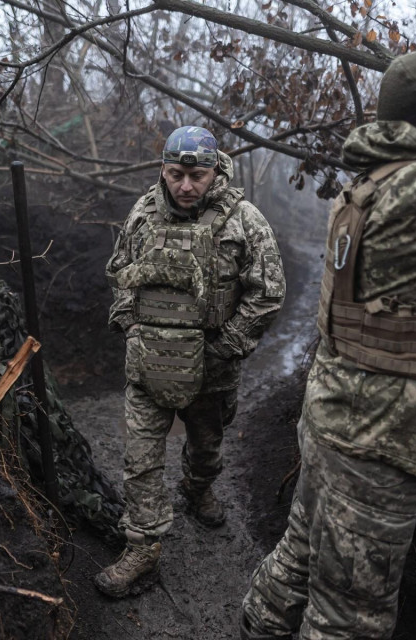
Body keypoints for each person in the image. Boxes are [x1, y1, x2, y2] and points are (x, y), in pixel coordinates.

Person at [240, 47, 416, 639]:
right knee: (349, 620)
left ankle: (254, 628)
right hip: (378, 442)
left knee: (299, 555)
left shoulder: (384, 178)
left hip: (340, 416)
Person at [94, 125, 286, 597]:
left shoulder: (244, 221)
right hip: (148, 360)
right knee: (140, 458)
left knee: (206, 446)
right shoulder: (142, 214)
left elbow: (268, 295)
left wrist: (226, 346)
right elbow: (120, 275)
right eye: (176, 173)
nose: (185, 185)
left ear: (214, 171)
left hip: (214, 368)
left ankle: (197, 488)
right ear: (163, 169)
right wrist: (130, 325)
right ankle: (142, 545)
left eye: (196, 175)